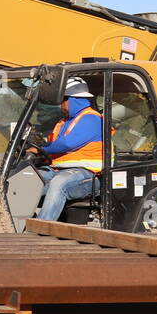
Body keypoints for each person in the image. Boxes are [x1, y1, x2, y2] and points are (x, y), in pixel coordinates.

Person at [31, 78, 103, 221]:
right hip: (61, 170)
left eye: (63, 100)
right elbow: (54, 146)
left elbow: (67, 144)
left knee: (60, 182)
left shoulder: (91, 119)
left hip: (89, 176)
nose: (61, 105)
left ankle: (41, 228)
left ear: (74, 99)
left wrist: (40, 149)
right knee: (30, 178)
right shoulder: (65, 122)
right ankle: (18, 221)